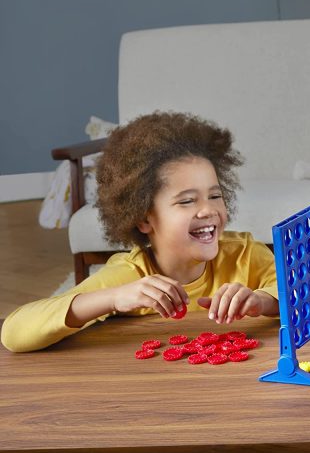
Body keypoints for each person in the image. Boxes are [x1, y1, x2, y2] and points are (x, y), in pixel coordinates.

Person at [2, 112, 279, 353]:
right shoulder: (129, 275)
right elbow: (14, 333)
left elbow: (309, 294)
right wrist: (113, 299)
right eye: (186, 200)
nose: (208, 210)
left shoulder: (245, 254)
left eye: (215, 196)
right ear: (144, 218)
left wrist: (263, 302)